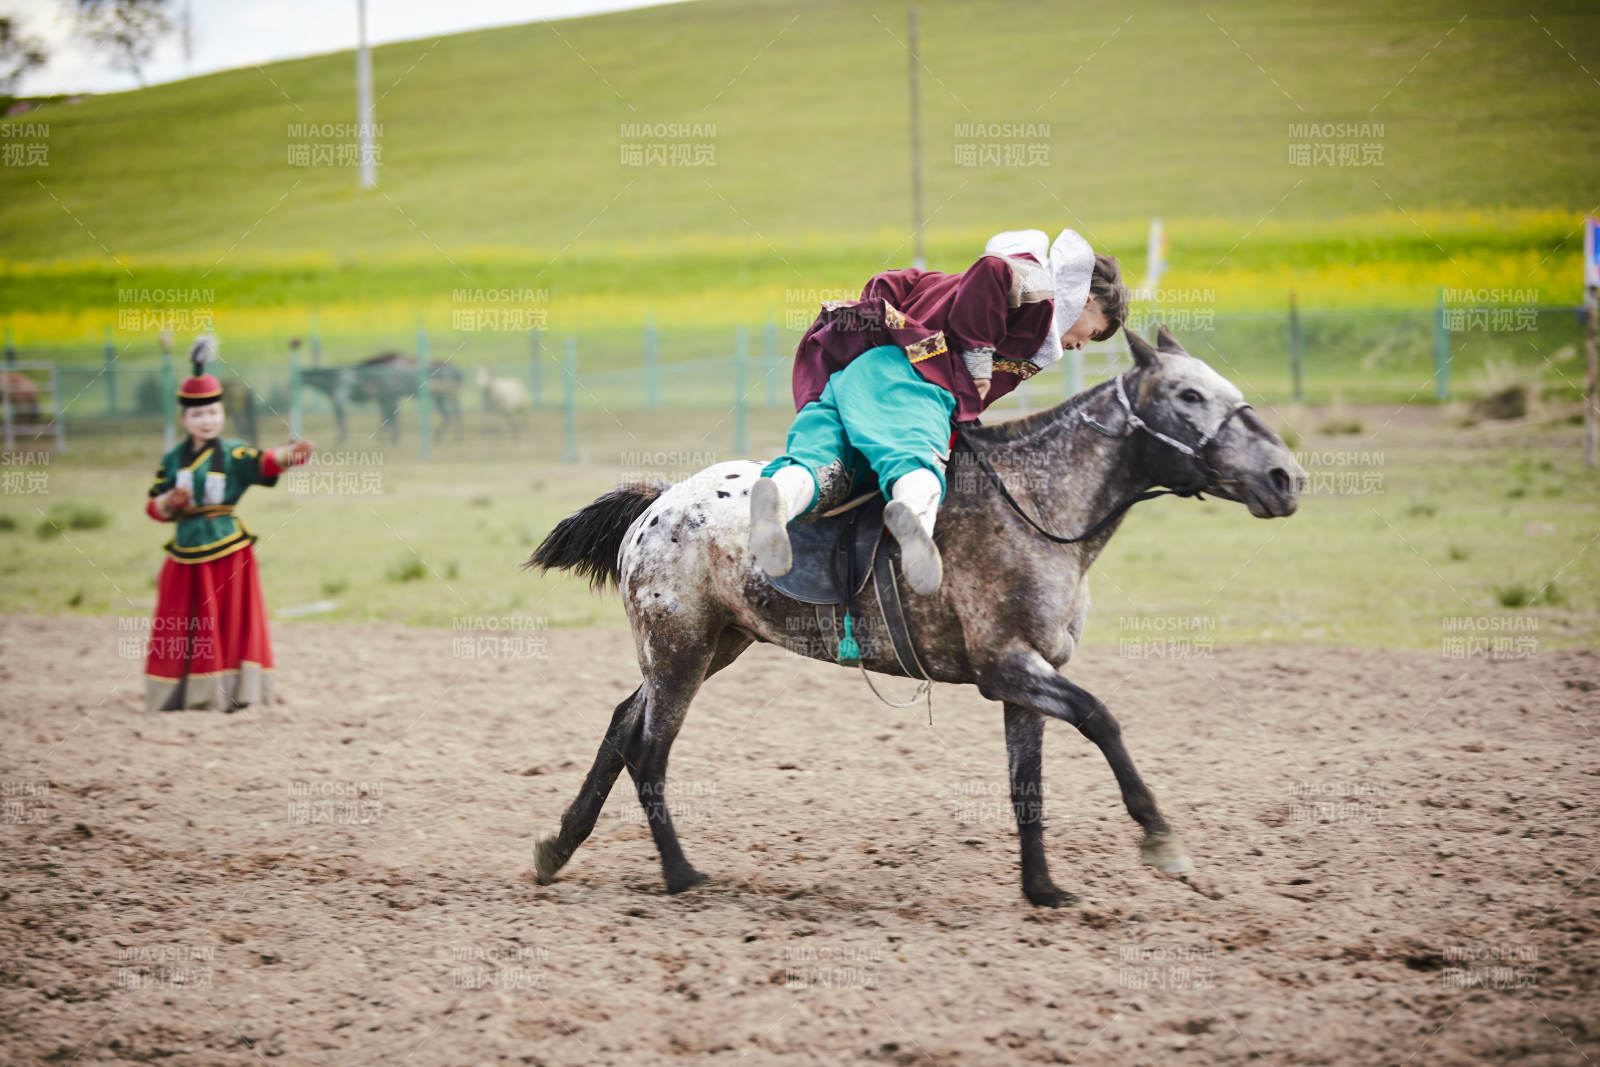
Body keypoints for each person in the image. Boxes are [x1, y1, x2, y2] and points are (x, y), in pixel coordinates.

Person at [750, 228, 1130, 595]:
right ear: (1085, 301)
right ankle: (914, 520)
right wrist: (977, 357)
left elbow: (891, 283)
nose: (1084, 345)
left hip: (854, 376)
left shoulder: (953, 285)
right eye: (1095, 333)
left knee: (826, 466)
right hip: (913, 383)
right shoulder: (1039, 294)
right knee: (917, 463)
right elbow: (993, 269)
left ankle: (780, 497)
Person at [143, 338, 314, 712]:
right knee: (181, 623)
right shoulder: (171, 460)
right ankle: (182, 695)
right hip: (184, 551)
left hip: (229, 550)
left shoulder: (234, 452)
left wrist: (290, 456)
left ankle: (237, 692)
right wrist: (170, 504)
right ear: (185, 419)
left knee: (232, 621)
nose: (207, 420)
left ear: (222, 414)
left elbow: (263, 460)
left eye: (213, 413)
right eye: (199, 415)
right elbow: (153, 507)